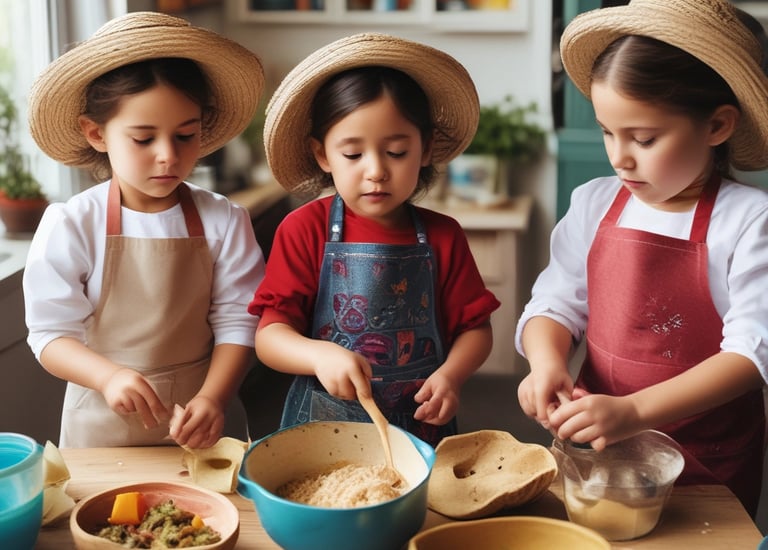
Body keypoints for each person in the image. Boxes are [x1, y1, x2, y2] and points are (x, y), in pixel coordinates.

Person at [516, 0, 768, 515]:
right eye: (609, 132)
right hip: (598, 445)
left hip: (707, 459)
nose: (619, 156)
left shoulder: (749, 221)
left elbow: (751, 354)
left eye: (645, 138)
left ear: (717, 126)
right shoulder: (594, 202)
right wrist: (546, 362)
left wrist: (634, 410)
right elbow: (556, 302)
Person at [22, 12, 266, 449]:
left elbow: (238, 323)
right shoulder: (73, 223)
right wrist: (108, 376)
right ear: (96, 133)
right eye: (143, 139)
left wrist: (214, 397)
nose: (167, 156)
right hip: (100, 424)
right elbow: (50, 334)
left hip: (200, 421)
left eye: (185, 135)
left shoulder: (225, 220)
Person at [248, 33, 500, 447]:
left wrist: (451, 376)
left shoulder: (443, 235)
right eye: (353, 155)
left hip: (422, 426)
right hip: (322, 429)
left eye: (396, 152)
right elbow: (269, 337)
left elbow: (476, 329)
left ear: (426, 148)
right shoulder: (303, 228)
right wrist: (317, 354)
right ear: (323, 155)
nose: (376, 171)